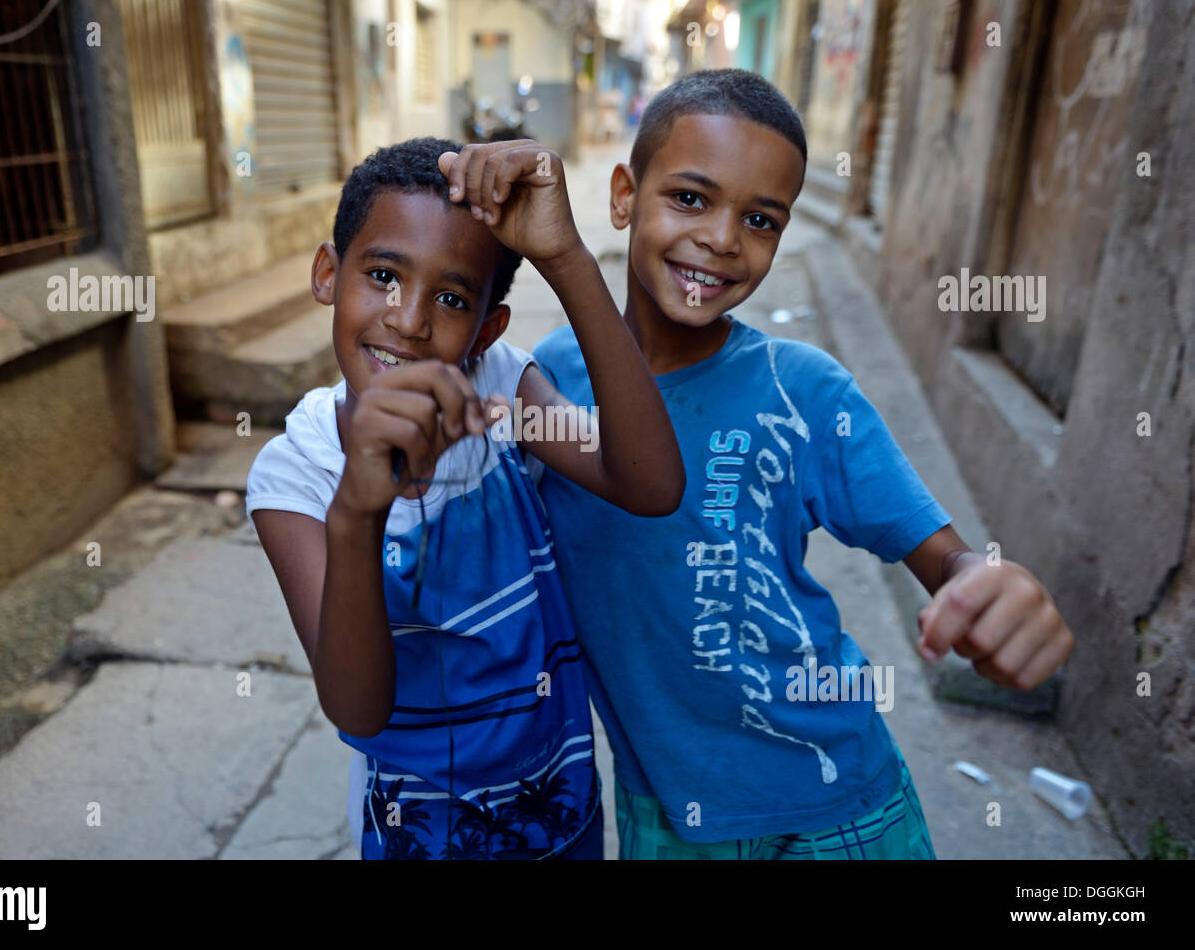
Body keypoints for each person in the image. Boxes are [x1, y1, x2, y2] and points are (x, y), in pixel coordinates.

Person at [533, 69, 1075, 860]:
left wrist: (982, 585)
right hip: (667, 814)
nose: (723, 238)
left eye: (759, 219)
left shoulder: (806, 390)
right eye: (690, 198)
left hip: (838, 807)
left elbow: (944, 556)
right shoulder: (549, 380)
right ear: (623, 196)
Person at [245, 136, 683, 860]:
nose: (409, 319)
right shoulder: (297, 474)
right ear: (329, 273)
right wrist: (358, 510)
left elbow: (650, 482)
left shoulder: (498, 389)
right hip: (420, 836)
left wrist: (565, 254)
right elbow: (356, 704)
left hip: (561, 814)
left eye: (450, 298)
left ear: (486, 330)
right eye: (383, 274)